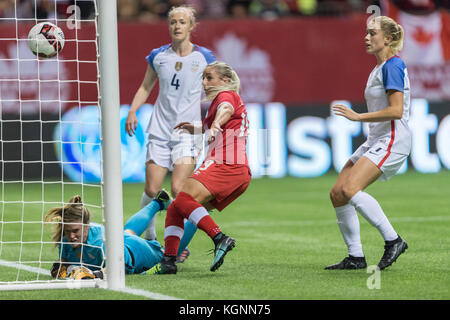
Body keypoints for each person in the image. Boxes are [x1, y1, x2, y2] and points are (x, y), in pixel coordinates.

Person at [124, 5, 216, 261]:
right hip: (160, 130)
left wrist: (215, 117)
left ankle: (176, 246)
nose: (177, 26)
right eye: (173, 21)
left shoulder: (204, 57)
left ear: (191, 26)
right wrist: (132, 111)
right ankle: (151, 239)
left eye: (182, 22)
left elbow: (220, 87)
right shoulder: (158, 56)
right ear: (169, 26)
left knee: (179, 189)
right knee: (153, 190)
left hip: (187, 134)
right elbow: (145, 86)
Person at [150, 61, 252, 274]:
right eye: (203, 78)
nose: (204, 83)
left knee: (184, 198)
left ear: (224, 80)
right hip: (236, 171)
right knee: (176, 207)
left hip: (227, 164)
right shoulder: (218, 102)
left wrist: (215, 124)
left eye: (209, 77)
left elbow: (226, 110)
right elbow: (220, 121)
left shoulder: (227, 97)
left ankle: (220, 238)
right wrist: (197, 128)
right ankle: (169, 260)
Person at [327, 15, 410, 270]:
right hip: (377, 139)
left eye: (372, 33)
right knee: (338, 193)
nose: (366, 37)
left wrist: (358, 116)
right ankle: (355, 256)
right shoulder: (379, 67)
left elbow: (396, 111)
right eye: (366, 32)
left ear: (388, 38)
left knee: (350, 189)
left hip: (393, 139)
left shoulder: (392, 66)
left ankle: (393, 240)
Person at [44, 189, 191, 278]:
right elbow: (63, 263)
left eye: (75, 231)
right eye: (68, 231)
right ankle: (158, 203)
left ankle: (194, 213)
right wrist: (60, 268)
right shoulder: (65, 240)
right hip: (122, 237)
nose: (71, 236)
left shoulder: (100, 242)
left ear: (87, 226)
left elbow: (118, 265)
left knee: (168, 255)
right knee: (128, 232)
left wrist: (96, 275)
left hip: (134, 252)